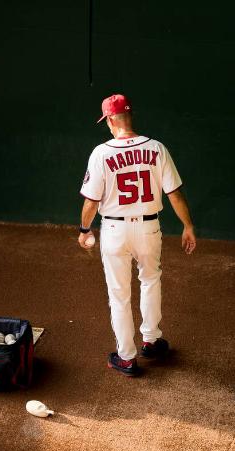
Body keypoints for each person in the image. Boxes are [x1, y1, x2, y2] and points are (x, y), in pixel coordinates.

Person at [78, 94, 196, 377]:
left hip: (115, 230)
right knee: (151, 281)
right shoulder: (156, 148)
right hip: (148, 227)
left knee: (119, 295)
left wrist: (84, 230)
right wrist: (188, 226)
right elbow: (175, 194)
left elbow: (91, 202)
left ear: (110, 120)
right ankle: (152, 341)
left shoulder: (101, 152)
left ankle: (127, 358)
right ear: (129, 116)